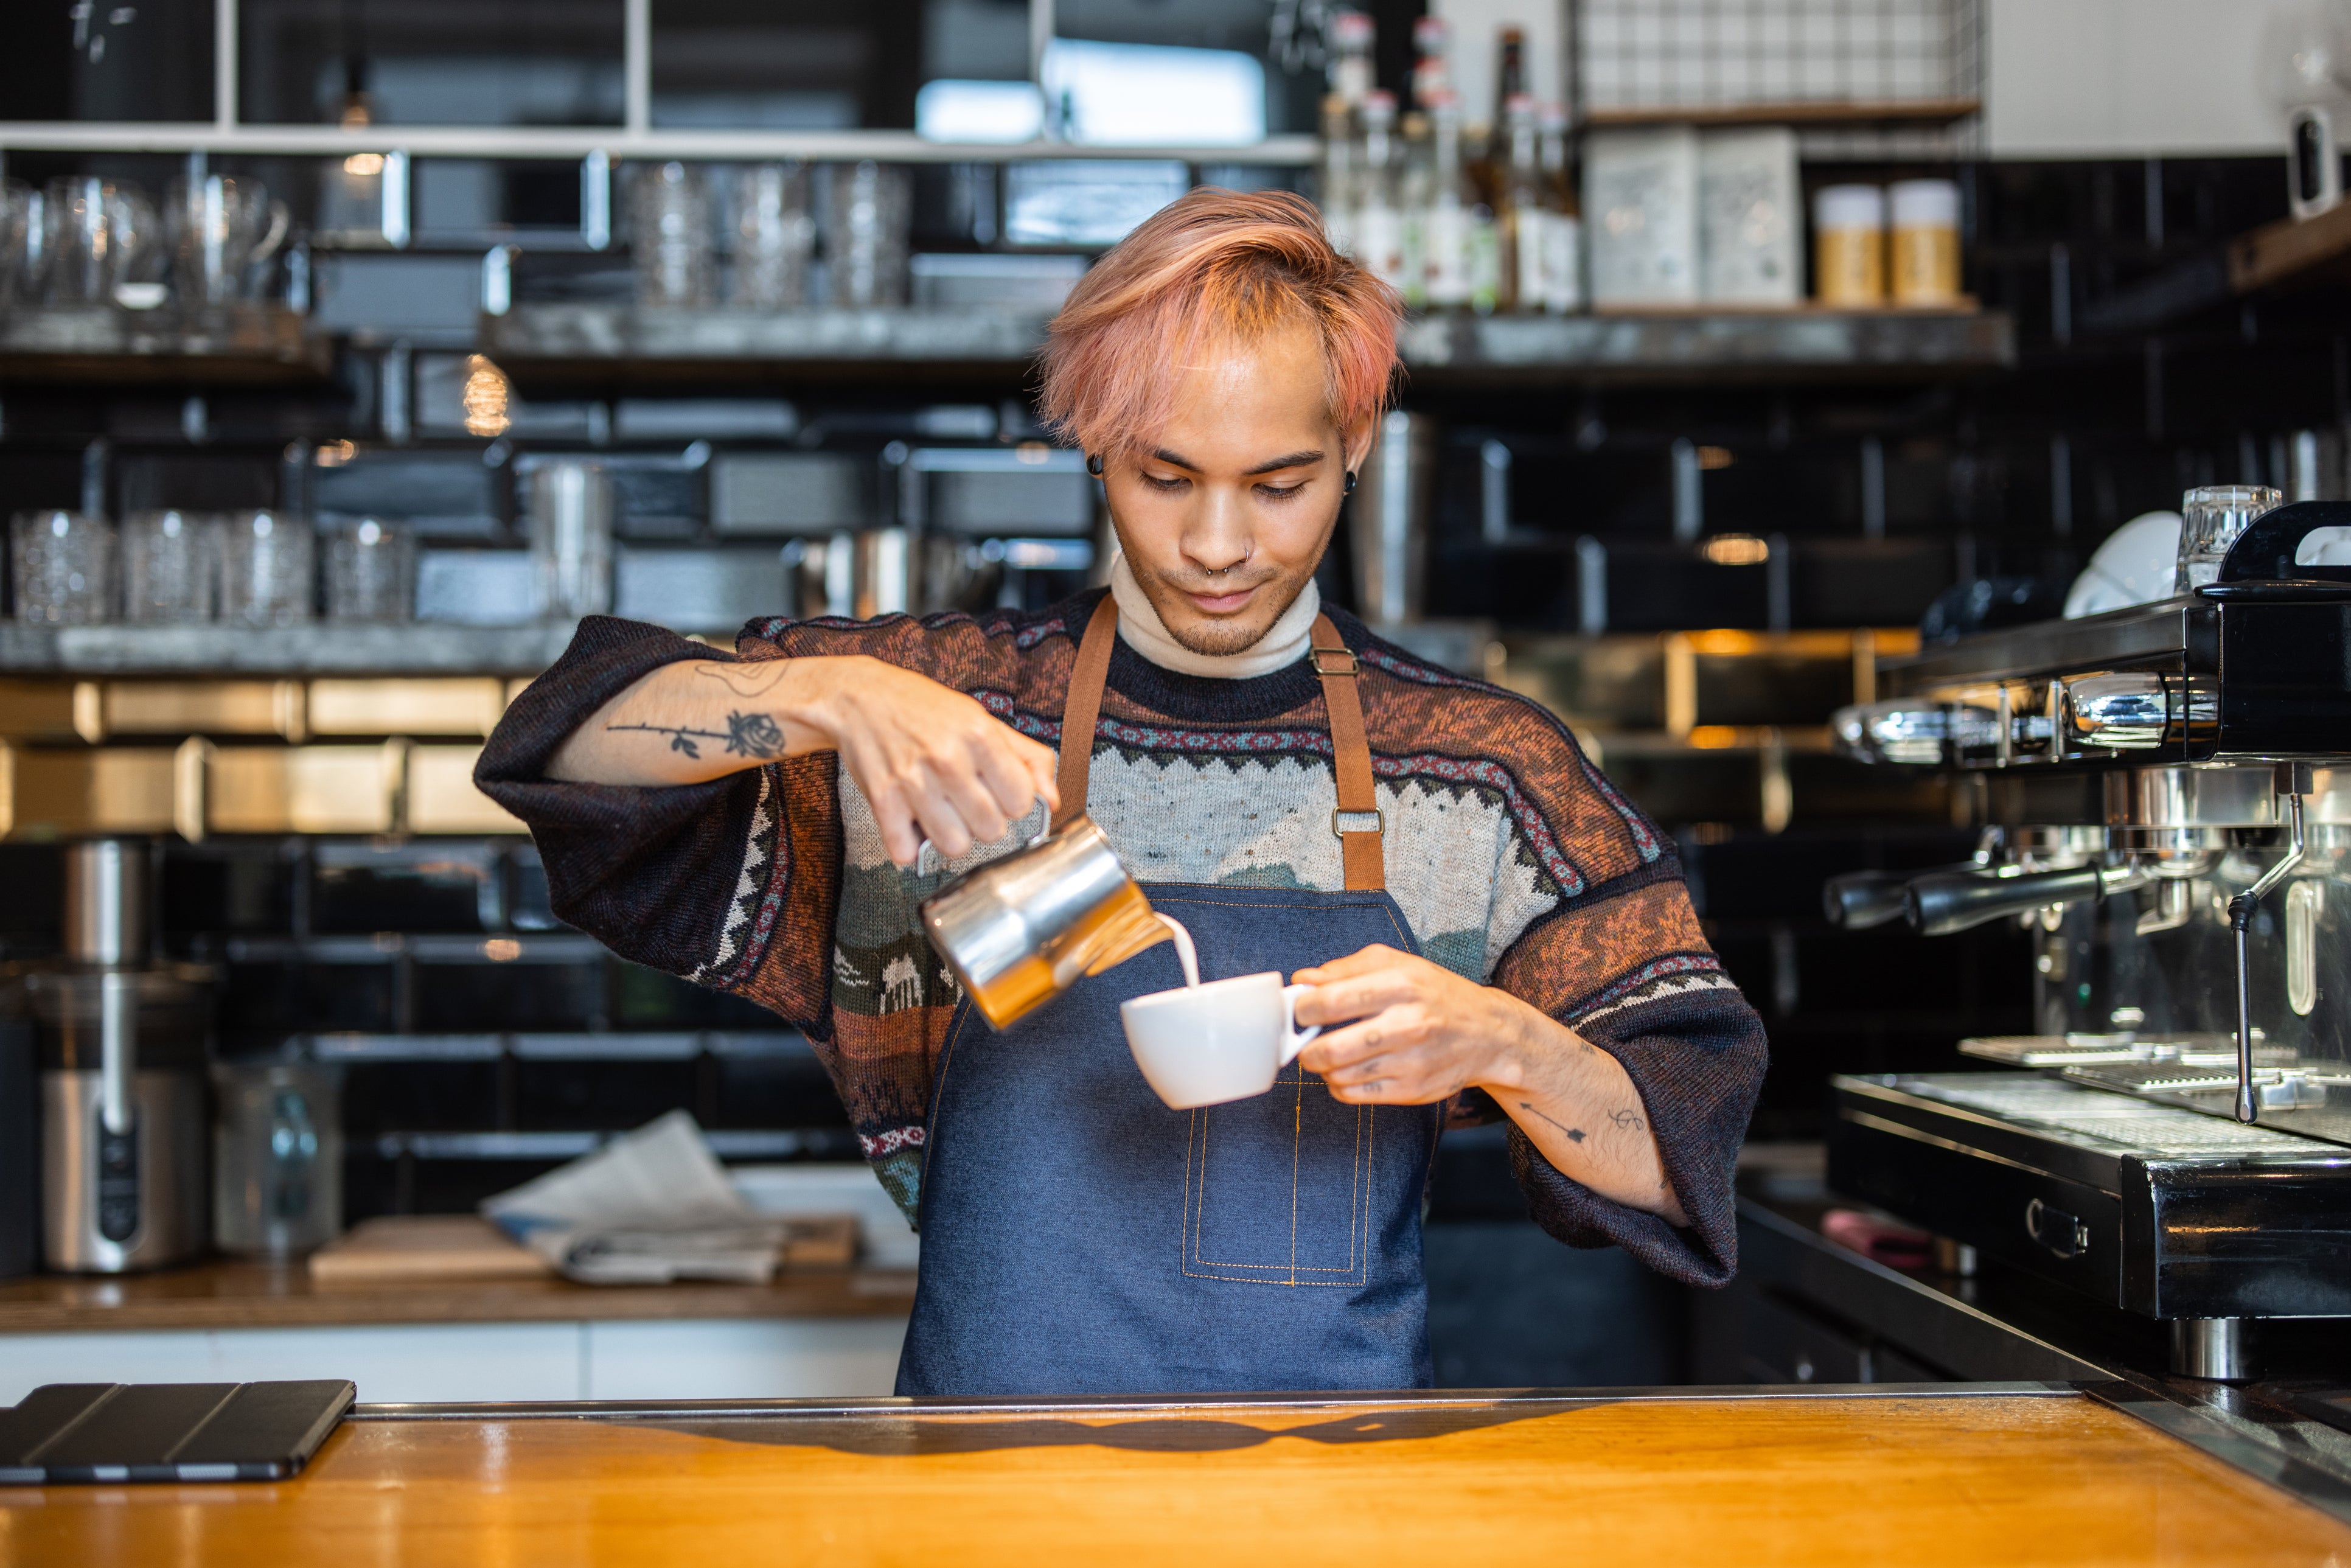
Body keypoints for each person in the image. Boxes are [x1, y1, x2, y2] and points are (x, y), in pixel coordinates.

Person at [476, 187, 1766, 1396]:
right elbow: (560, 746)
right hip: (989, 1484)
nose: (1218, 545)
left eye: (1280, 484)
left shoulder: (1482, 773)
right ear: (1094, 444)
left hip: (1326, 1494)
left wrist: (1504, 1041)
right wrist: (831, 694)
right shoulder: (945, 720)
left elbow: (1675, 1162)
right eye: (1165, 476)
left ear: (1355, 440)